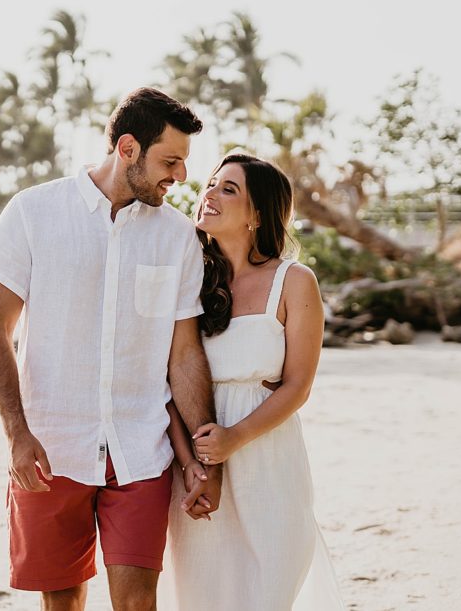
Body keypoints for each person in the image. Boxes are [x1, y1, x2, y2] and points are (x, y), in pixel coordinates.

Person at [0, 87, 221, 611]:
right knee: (61, 602)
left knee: (137, 603)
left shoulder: (178, 237)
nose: (180, 177)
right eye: (170, 161)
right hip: (52, 447)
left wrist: (205, 461)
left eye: (183, 163)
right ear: (127, 148)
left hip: (141, 449)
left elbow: (184, 354)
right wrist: (17, 434)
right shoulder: (33, 212)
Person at [158, 153, 344, 610]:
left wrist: (234, 438)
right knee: (203, 590)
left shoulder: (293, 281)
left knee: (270, 587)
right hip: (195, 465)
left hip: (268, 460)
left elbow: (298, 386)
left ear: (258, 214)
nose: (210, 194)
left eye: (229, 189)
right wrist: (193, 462)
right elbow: (163, 382)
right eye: (211, 184)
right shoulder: (188, 280)